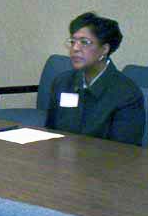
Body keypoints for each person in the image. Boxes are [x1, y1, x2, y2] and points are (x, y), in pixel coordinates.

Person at [46, 12, 145, 145]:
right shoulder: (62, 82)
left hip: (104, 163)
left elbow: (124, 152)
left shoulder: (127, 93)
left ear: (104, 49)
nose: (75, 48)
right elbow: (50, 133)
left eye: (84, 42)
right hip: (61, 159)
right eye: (72, 41)